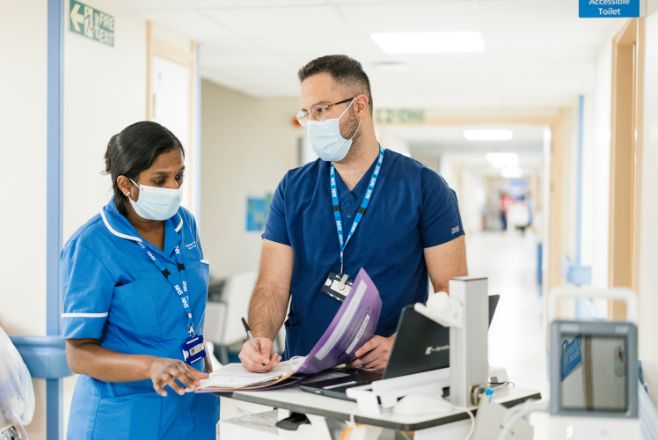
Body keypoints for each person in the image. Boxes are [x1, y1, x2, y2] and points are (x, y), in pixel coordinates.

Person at [239, 55, 468, 373]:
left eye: (321, 109)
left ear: (359, 106)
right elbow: (272, 285)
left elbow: (453, 293)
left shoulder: (425, 187)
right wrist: (259, 337)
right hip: (304, 371)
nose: (313, 123)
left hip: (388, 374)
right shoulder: (293, 189)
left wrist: (404, 343)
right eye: (307, 114)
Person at [61, 121, 219, 439]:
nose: (173, 188)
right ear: (126, 184)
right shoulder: (93, 245)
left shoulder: (184, 225)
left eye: (179, 176)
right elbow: (78, 354)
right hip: (124, 419)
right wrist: (150, 367)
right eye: (159, 180)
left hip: (190, 410)